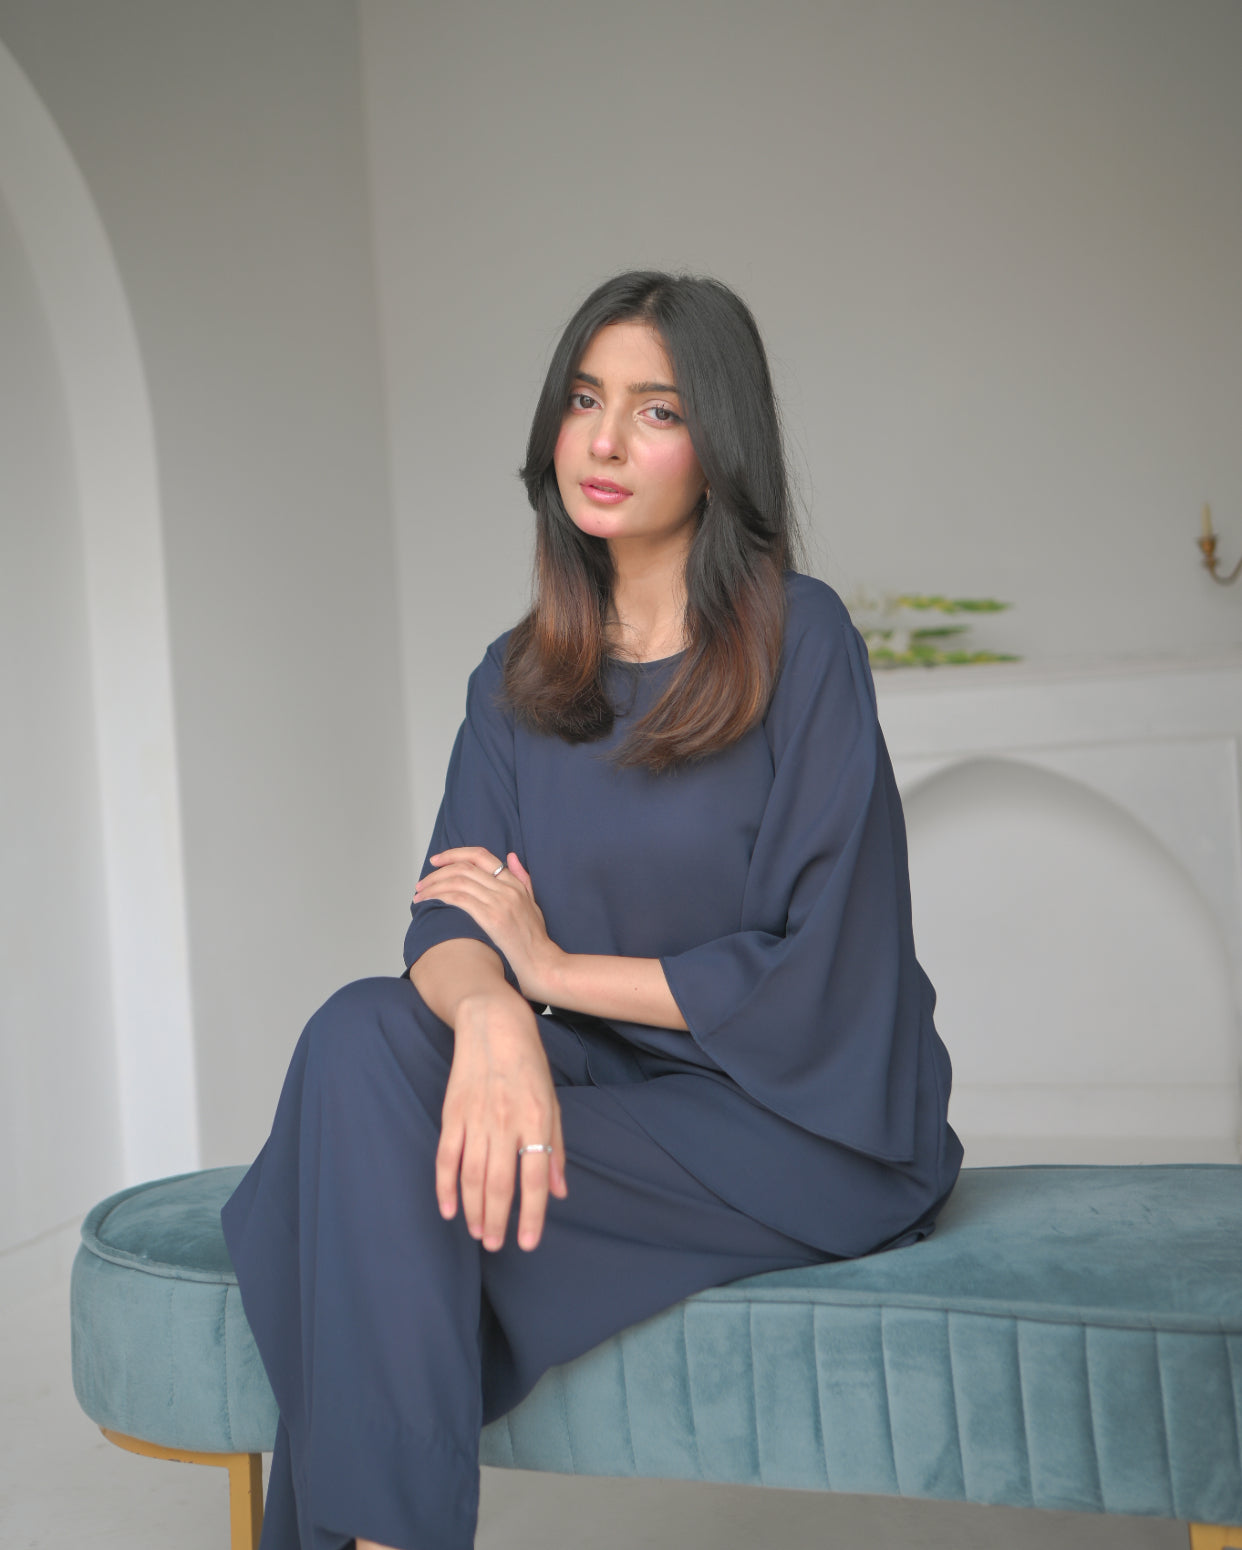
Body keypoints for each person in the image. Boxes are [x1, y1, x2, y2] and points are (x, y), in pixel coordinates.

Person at [220, 268, 964, 1550]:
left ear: (719, 451)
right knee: (359, 1034)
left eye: (657, 409)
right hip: (598, 1091)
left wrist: (549, 971)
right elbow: (451, 920)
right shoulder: (517, 678)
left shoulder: (805, 639)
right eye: (584, 398)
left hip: (790, 1118)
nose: (606, 441)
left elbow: (821, 968)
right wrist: (498, 1018)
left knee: (352, 1184)